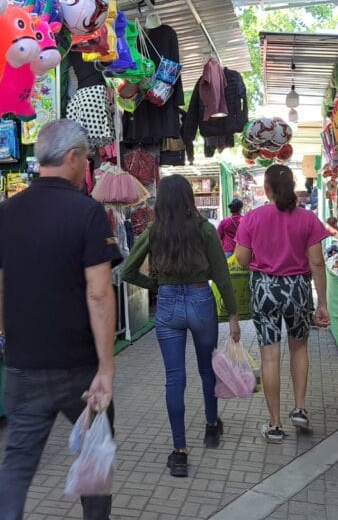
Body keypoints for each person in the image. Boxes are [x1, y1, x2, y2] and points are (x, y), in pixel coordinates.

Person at [0, 119, 120, 520]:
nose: (87, 166)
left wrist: (12, 335)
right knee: (97, 452)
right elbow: (98, 292)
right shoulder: (87, 212)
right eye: (87, 158)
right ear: (73, 157)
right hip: (79, 367)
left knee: (17, 464)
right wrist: (106, 368)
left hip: (23, 368)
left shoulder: (4, 213)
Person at [122, 175, 240, 477]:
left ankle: (179, 452)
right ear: (190, 199)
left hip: (168, 304)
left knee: (175, 378)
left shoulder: (153, 231)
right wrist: (235, 316)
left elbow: (127, 271)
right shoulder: (204, 230)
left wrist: (156, 285)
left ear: (161, 201)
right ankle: (212, 427)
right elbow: (222, 276)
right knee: (207, 369)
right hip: (201, 300)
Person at [234, 165, 330, 444]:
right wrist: (321, 303)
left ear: (266, 189)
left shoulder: (252, 218)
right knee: (299, 348)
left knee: (269, 357)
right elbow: (317, 263)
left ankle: (275, 425)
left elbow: (241, 258)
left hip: (264, 289)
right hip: (297, 289)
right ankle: (299, 408)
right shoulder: (308, 219)